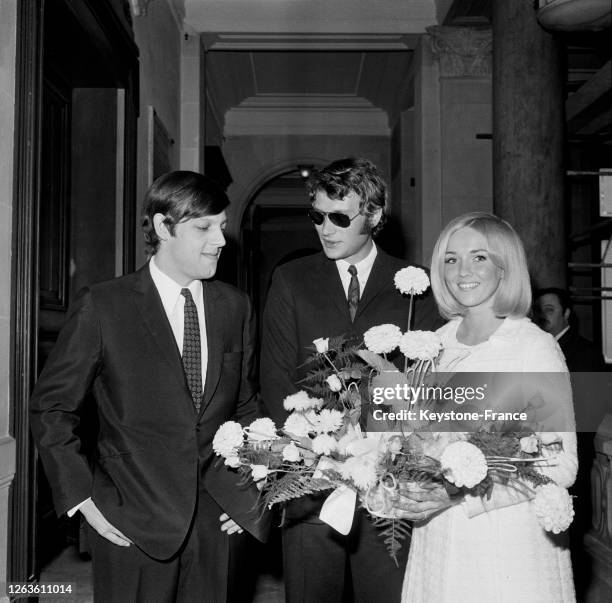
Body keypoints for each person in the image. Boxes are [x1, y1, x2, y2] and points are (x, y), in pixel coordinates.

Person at [30, 171, 270, 602]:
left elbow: (246, 406)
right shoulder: (104, 304)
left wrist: (256, 487)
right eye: (204, 227)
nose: (220, 239)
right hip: (131, 516)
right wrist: (81, 496)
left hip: (218, 517)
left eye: (221, 225)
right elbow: (52, 407)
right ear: (163, 226)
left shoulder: (235, 306)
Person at [260, 157, 440, 603]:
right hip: (312, 480)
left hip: (391, 483)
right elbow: (276, 380)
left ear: (375, 216)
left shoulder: (415, 285)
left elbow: (431, 385)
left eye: (340, 217)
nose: (325, 228)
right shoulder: (291, 280)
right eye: (317, 216)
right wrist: (316, 453)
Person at [399, 212, 578, 602]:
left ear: (504, 266)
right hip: (436, 540)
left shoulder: (532, 347)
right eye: (450, 258)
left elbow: (558, 463)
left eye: (478, 257)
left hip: (503, 545)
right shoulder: (435, 345)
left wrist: (457, 494)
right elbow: (416, 438)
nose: (462, 270)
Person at [533, 287, 606, 372]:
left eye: (549, 309)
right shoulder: (535, 346)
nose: (542, 315)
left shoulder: (587, 353)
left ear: (566, 313)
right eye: (538, 310)